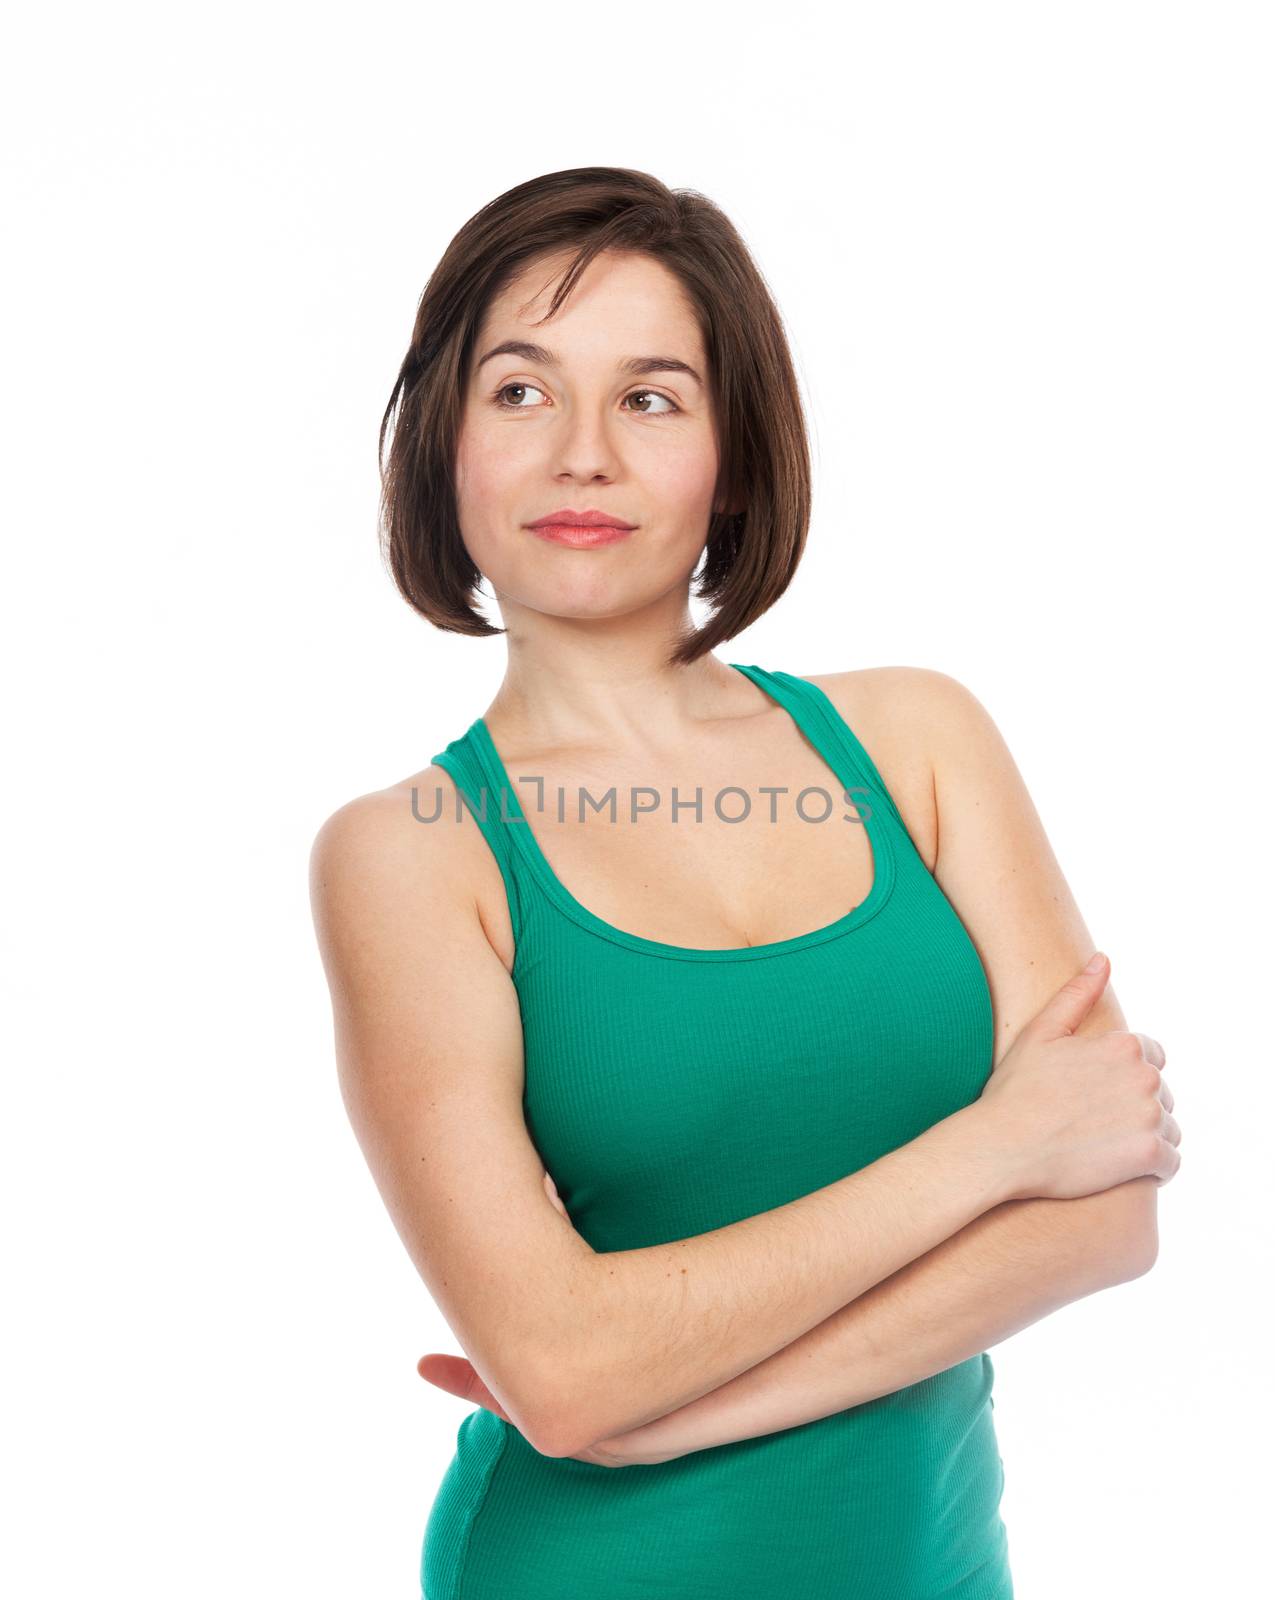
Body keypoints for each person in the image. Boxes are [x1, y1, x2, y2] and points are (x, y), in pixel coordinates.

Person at [308, 167, 1181, 1600]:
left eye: (651, 397)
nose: (582, 454)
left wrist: (680, 1416)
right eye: (520, 393)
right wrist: (989, 1152)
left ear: (734, 449)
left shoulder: (918, 743)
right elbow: (564, 1371)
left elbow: (1103, 1213)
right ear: (444, 444)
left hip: (937, 1565)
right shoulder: (406, 853)